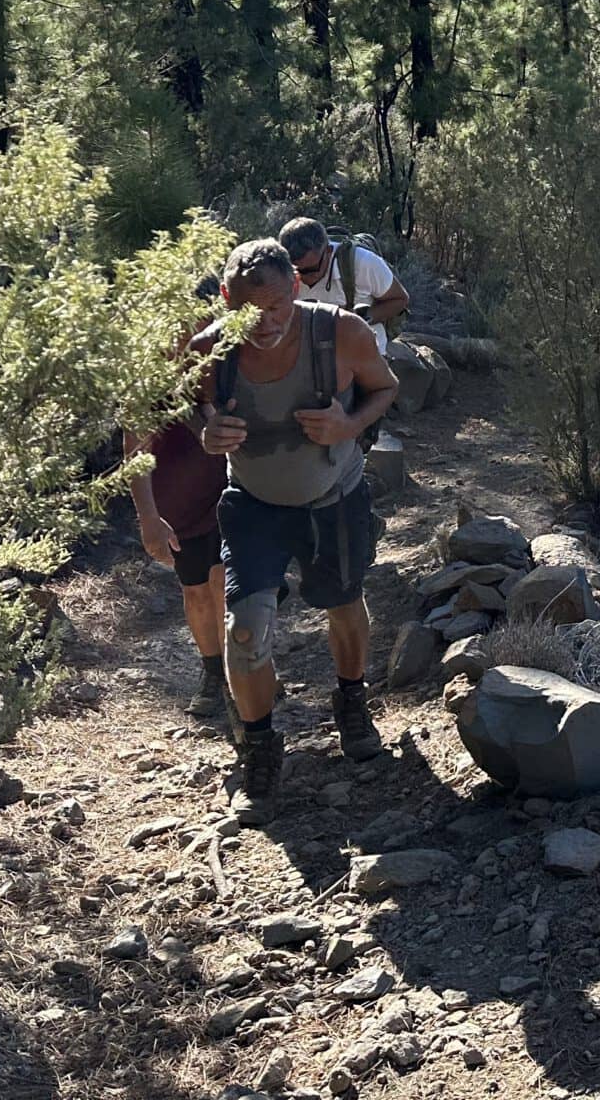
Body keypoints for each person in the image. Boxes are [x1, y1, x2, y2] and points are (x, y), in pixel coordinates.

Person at [196, 237, 402, 797]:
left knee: (343, 604)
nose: (263, 324)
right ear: (223, 298)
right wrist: (209, 431)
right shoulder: (210, 351)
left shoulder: (342, 334)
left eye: (276, 307)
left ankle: (351, 699)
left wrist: (348, 425)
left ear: (295, 287)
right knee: (245, 631)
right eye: (247, 311)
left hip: (333, 500)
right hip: (254, 508)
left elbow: (385, 388)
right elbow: (199, 407)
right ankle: (259, 748)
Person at [128, 273, 229, 721]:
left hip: (231, 492)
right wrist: (148, 516)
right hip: (179, 503)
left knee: (227, 583)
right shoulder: (147, 377)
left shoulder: (229, 359)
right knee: (197, 590)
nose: (195, 336)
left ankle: (246, 664)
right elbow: (135, 451)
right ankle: (213, 673)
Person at [279, 214, 410, 354]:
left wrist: (357, 318)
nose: (302, 277)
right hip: (309, 357)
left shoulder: (362, 262)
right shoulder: (277, 269)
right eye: (295, 270)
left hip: (363, 355)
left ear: (328, 251)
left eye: (311, 270)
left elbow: (400, 299)